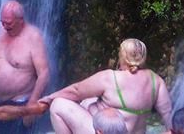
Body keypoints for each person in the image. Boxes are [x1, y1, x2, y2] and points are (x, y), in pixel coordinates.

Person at [40, 38, 173, 134]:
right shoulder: (156, 80)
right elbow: (168, 115)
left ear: (123, 56)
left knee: (58, 105)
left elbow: (76, 91)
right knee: (88, 101)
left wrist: (49, 98)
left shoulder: (111, 78)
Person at [0, 0, 51, 133]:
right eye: (2, 22)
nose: (4, 26)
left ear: (20, 20)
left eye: (8, 23)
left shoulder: (33, 37)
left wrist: (32, 105)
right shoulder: (0, 31)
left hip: (18, 105)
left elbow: (44, 73)